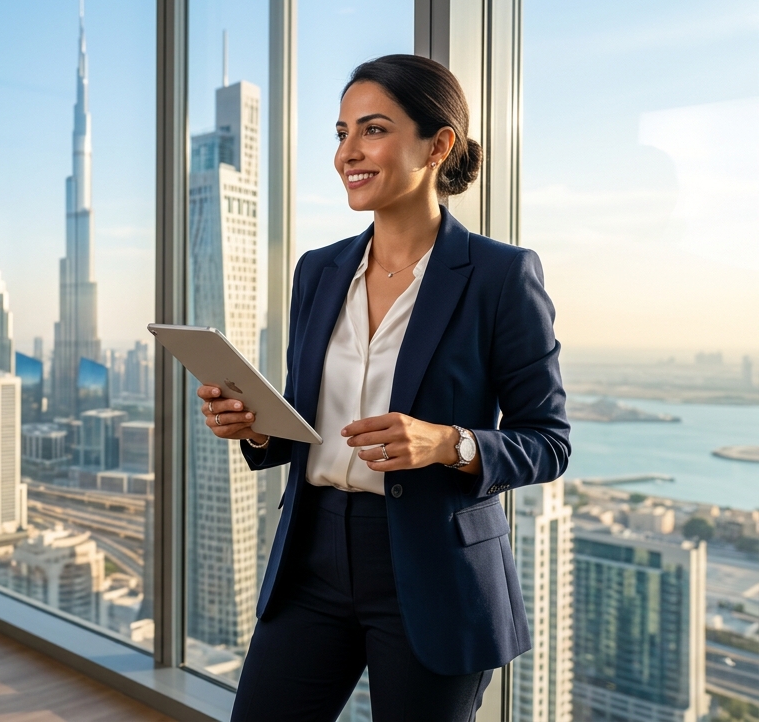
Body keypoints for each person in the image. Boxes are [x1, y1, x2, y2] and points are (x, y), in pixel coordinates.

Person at [201, 54, 570, 721]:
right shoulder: (318, 271)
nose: (348, 152)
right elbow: (309, 421)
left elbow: (549, 442)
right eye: (341, 133)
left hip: (434, 571)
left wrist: (448, 443)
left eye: (372, 130)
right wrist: (255, 428)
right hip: (312, 556)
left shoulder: (499, 276)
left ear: (438, 145)